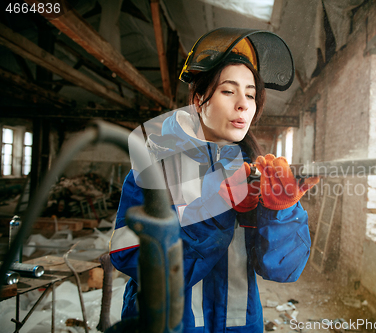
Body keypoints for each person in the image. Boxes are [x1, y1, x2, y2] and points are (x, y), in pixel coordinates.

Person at [109, 27, 319, 332]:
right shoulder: (155, 166)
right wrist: (215, 205)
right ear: (198, 100)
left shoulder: (254, 173)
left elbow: (283, 270)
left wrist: (281, 209)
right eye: (228, 91)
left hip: (240, 325)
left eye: (250, 94)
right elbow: (126, 252)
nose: (244, 104)